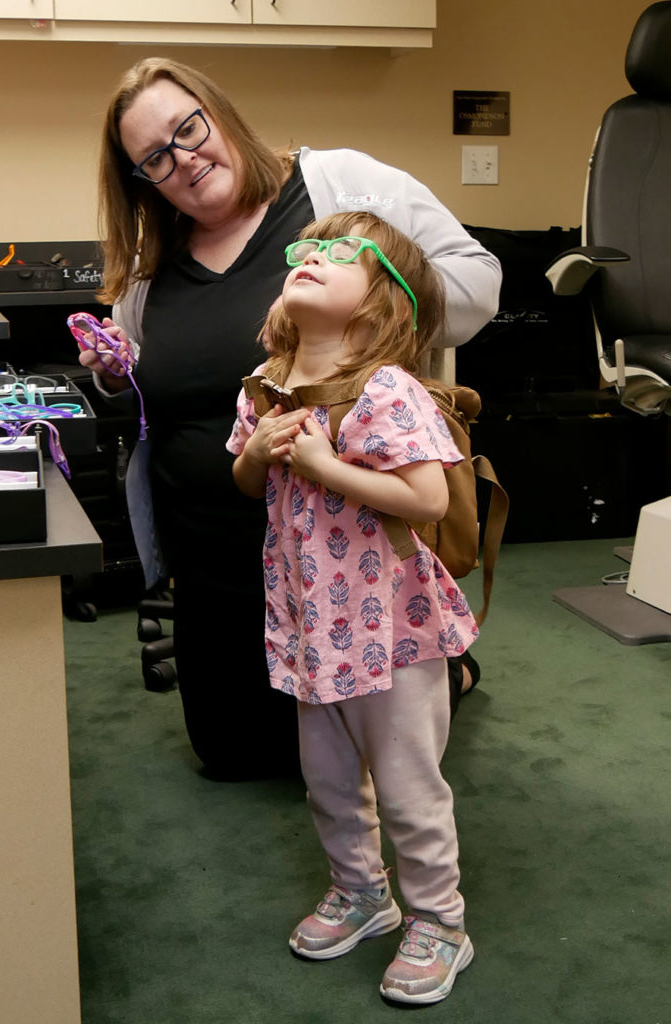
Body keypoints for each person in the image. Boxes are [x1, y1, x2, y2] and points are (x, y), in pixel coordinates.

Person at [79, 57, 500, 779]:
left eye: (189, 129)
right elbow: (164, 398)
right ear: (140, 180)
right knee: (233, 755)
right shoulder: (149, 273)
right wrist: (122, 377)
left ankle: (443, 665)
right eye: (155, 157)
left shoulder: (337, 189)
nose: (183, 159)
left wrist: (375, 295)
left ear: (219, 113)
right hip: (213, 568)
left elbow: (474, 282)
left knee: (372, 754)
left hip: (343, 555)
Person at [227, 211, 475, 1005]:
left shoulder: (386, 388)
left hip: (391, 628)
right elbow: (244, 477)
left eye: (341, 254)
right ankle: (362, 894)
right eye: (306, 249)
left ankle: (440, 923)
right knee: (328, 780)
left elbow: (426, 494)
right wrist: (262, 453)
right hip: (311, 626)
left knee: (406, 786)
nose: (311, 257)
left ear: (379, 302)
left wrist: (324, 462)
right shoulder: (265, 382)